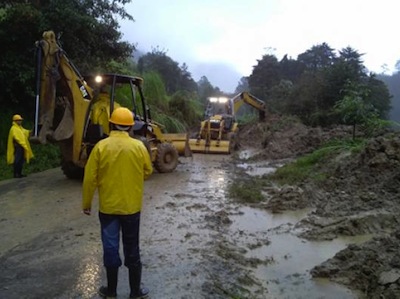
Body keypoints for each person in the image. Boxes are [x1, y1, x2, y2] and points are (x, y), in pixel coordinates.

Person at [82, 107, 153, 299]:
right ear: (130, 127)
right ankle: (135, 292)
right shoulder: (139, 147)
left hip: (108, 209)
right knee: (132, 247)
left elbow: (90, 178)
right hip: (131, 209)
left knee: (110, 247)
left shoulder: (100, 147)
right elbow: (148, 171)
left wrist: (87, 203)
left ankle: (111, 291)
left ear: (111, 124)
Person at [7, 114, 34, 178]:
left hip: (21, 147)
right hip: (17, 147)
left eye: (20, 120)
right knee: (17, 160)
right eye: (19, 120)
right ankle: (16, 174)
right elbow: (17, 138)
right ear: (15, 121)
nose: (20, 121)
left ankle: (19, 173)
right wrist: (22, 143)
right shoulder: (14, 129)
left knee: (21, 160)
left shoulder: (20, 128)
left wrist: (31, 131)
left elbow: (25, 132)